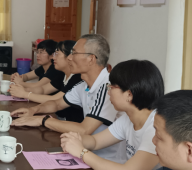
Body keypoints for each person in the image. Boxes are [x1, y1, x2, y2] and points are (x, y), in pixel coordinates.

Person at [61, 60, 183, 170]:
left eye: (112, 87)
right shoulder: (128, 118)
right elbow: (95, 141)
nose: (108, 91)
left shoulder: (156, 127)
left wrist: (82, 153)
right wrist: (75, 139)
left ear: (129, 94)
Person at [11, 34, 123, 162]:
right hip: (83, 151)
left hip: (105, 160)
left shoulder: (107, 88)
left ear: (91, 59)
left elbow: (84, 129)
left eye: (74, 53)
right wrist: (33, 110)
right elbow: (57, 104)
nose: (69, 58)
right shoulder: (83, 85)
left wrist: (42, 120)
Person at [10, 40, 84, 123]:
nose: (54, 57)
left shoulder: (77, 78)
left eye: (57, 54)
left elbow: (55, 99)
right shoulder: (62, 74)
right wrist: (21, 90)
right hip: (56, 116)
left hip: (70, 122)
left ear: (70, 57)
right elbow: (43, 89)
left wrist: (25, 94)